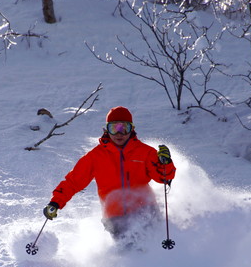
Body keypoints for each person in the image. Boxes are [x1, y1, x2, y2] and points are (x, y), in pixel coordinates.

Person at [43, 106, 176, 250]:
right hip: (115, 218)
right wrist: (56, 202)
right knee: (128, 253)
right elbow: (74, 181)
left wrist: (166, 162)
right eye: (114, 128)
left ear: (132, 129)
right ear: (106, 129)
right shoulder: (95, 156)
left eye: (124, 128)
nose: (119, 133)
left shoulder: (145, 152)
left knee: (152, 249)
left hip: (146, 211)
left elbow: (164, 178)